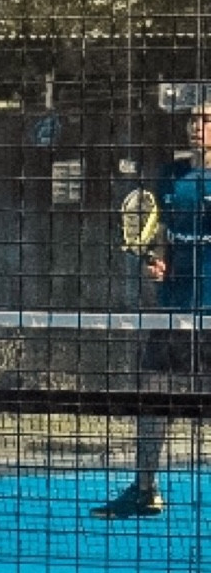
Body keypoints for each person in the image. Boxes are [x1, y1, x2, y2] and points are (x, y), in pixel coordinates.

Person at [93, 100, 211, 520]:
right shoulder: (169, 176)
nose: (196, 125)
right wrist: (156, 260)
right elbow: (159, 231)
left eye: (206, 120)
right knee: (154, 394)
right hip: (174, 311)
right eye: (193, 118)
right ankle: (145, 490)